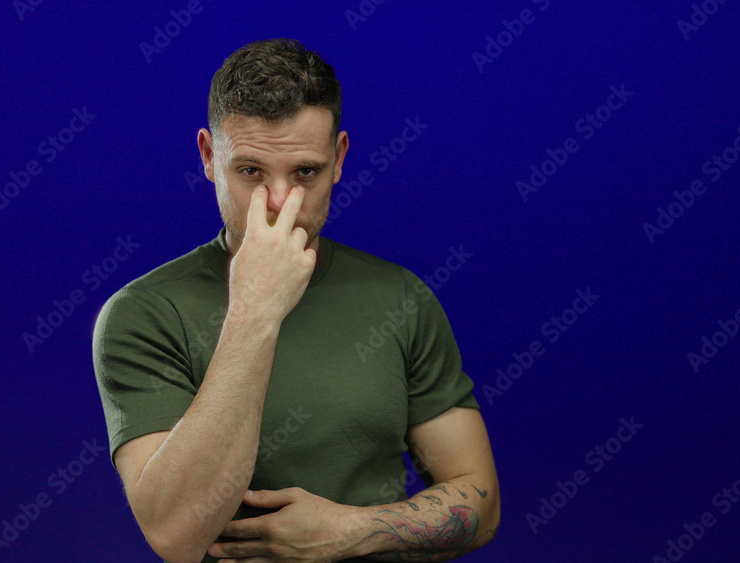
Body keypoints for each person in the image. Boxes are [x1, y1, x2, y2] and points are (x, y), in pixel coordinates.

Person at [92, 38, 500, 563]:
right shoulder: (143, 315)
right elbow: (177, 535)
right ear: (209, 158)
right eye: (251, 172)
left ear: (339, 158)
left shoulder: (399, 296)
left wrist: (354, 529)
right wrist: (254, 309)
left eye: (305, 172)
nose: (280, 202)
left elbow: (480, 507)